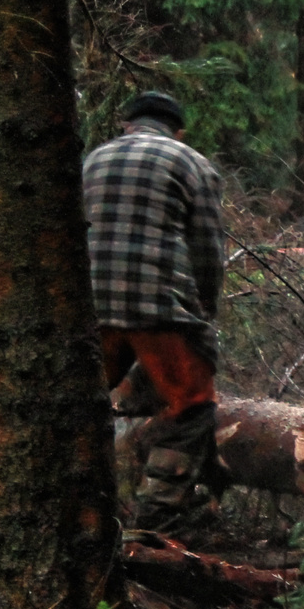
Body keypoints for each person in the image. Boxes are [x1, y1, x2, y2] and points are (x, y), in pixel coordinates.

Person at [84, 91, 226, 532]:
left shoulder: (91, 160)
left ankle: (77, 513)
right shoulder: (190, 162)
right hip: (157, 306)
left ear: (128, 123)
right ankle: (153, 524)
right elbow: (206, 248)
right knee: (192, 405)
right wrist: (203, 310)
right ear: (177, 129)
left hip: (89, 308)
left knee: (81, 406)